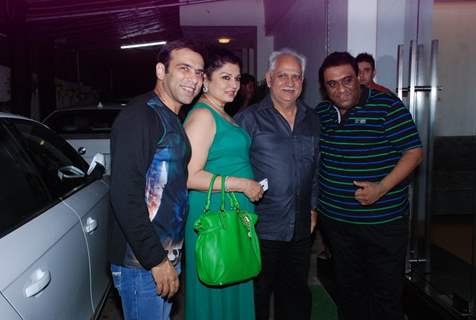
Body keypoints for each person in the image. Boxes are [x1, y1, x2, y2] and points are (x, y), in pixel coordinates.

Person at [315, 51, 423, 320]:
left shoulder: (386, 106)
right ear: (324, 87)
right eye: (332, 83)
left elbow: (414, 152)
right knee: (349, 291)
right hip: (337, 223)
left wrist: (381, 188)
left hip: (381, 223)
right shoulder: (322, 113)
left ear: (359, 78)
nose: (341, 89)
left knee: (384, 294)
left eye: (347, 80)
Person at [108, 40, 204, 320]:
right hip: (142, 262)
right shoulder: (140, 116)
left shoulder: (172, 116)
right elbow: (125, 195)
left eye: (199, 72)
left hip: (164, 257)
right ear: (161, 71)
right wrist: (156, 260)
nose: (194, 79)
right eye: (184, 68)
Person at [235, 48, 320, 320]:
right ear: (269, 79)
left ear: (303, 82)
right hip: (260, 227)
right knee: (257, 297)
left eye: (296, 76)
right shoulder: (248, 120)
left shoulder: (312, 120)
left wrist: (314, 208)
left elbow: (316, 169)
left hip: (300, 228)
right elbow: (233, 167)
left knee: (295, 296)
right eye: (282, 75)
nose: (290, 82)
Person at [184, 47, 263, 320]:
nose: (234, 85)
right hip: (215, 215)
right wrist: (243, 184)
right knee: (217, 284)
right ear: (205, 79)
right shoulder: (203, 115)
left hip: (230, 212)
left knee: (236, 277)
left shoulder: (223, 113)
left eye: (237, 78)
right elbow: (190, 176)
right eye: (225, 77)